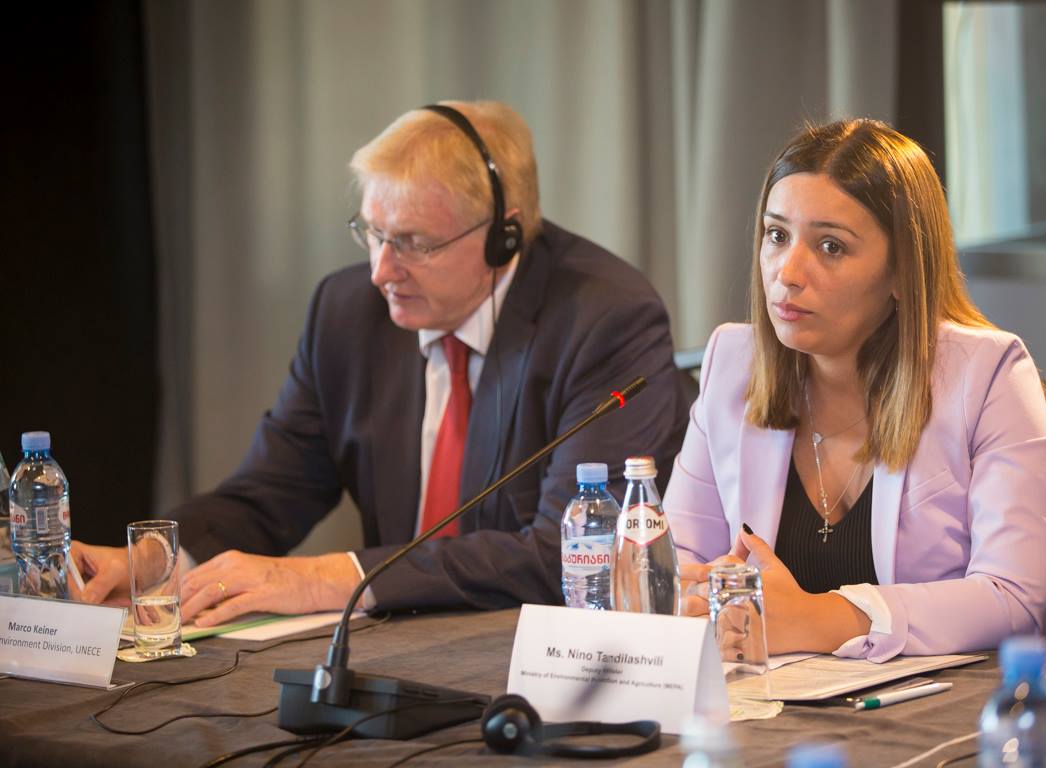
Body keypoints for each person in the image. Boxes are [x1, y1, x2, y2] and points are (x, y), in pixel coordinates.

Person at [73, 100, 689, 624]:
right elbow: (271, 493)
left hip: (531, 657)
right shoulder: (347, 312)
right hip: (393, 655)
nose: (381, 271)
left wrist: (328, 578)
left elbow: (571, 553)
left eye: (414, 244)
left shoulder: (605, 320)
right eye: (373, 233)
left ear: (504, 235)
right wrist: (153, 559)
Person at [671, 119, 1046, 660]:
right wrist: (692, 599)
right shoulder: (731, 363)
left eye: (831, 246)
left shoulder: (988, 374)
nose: (788, 272)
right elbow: (678, 563)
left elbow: (1018, 597)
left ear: (903, 270)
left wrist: (821, 620)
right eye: (777, 235)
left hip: (947, 705)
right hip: (765, 699)